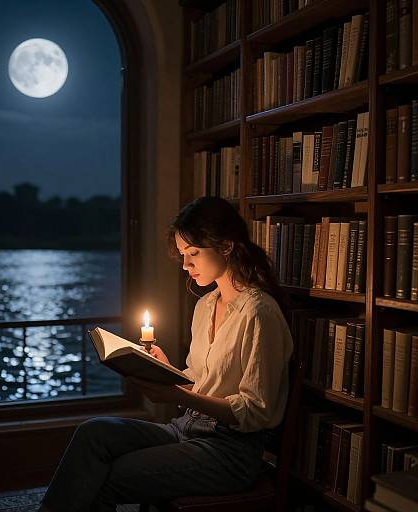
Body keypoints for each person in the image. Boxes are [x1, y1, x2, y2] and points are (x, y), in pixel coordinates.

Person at [39, 196, 294, 512]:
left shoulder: (259, 313)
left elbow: (257, 412)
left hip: (230, 452)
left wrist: (179, 396)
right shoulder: (206, 305)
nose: (186, 265)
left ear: (226, 246)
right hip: (187, 429)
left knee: (102, 477)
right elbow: (201, 386)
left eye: (194, 253)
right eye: (184, 255)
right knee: (93, 432)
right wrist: (166, 371)